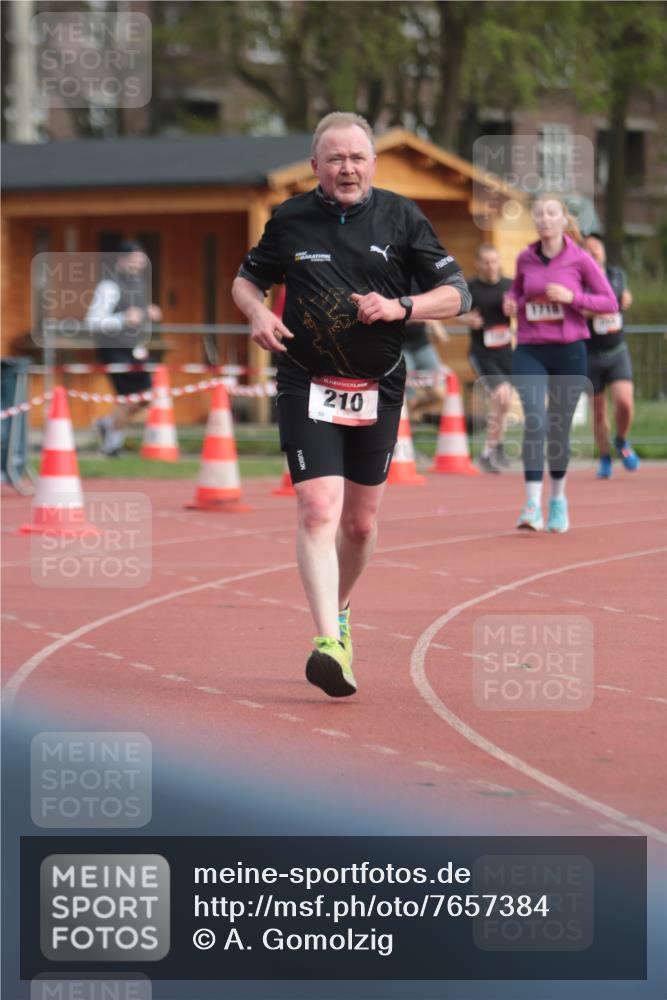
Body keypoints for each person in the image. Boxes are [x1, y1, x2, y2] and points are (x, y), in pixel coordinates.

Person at [232, 111, 470, 698]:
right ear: (315, 165)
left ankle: (338, 612)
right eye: (335, 158)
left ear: (373, 164)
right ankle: (328, 644)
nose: (347, 168)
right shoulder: (289, 219)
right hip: (306, 381)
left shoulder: (402, 216)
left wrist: (401, 307)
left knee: (359, 526)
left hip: (378, 387)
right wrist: (258, 312)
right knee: (318, 508)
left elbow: (458, 294)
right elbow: (246, 280)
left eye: (357, 157)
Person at [504, 195, 618, 532]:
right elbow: (517, 292)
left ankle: (557, 499)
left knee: (558, 429)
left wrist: (573, 298)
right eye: (539, 213)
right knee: (535, 421)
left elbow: (609, 302)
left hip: (569, 350)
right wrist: (511, 302)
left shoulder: (580, 259)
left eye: (551, 213)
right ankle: (531, 505)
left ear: (563, 219)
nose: (544, 218)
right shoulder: (525, 258)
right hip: (530, 349)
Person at [85, 240, 162, 455]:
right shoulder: (108, 286)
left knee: (145, 397)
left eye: (141, 261)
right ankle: (112, 445)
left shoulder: (139, 284)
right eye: (133, 260)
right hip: (113, 349)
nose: (137, 264)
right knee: (129, 398)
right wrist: (122, 319)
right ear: (121, 261)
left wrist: (147, 313)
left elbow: (135, 317)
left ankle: (106, 425)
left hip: (135, 348)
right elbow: (93, 322)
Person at [582, 233, 639, 478]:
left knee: (625, 403)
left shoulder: (616, 274)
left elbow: (623, 296)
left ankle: (621, 441)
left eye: (597, 246)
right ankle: (605, 457)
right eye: (588, 248)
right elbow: (577, 309)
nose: (594, 251)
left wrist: (626, 298)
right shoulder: (579, 280)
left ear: (604, 250)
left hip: (617, 351)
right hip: (591, 354)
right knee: (599, 411)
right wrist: (598, 309)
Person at [459, 245, 514, 473]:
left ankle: (494, 448)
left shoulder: (510, 285)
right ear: (478, 263)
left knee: (505, 401)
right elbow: (454, 312)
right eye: (487, 262)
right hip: (482, 353)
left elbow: (523, 308)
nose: (491, 266)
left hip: (506, 352)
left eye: (494, 261)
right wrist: (467, 320)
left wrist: (515, 310)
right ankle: (490, 450)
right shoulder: (470, 287)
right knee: (501, 395)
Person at [403, 318, 448, 421]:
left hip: (423, 346)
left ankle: (413, 409)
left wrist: (436, 325)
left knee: (440, 393)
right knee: (408, 398)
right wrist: (413, 320)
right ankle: (407, 418)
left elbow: (442, 336)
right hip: (401, 347)